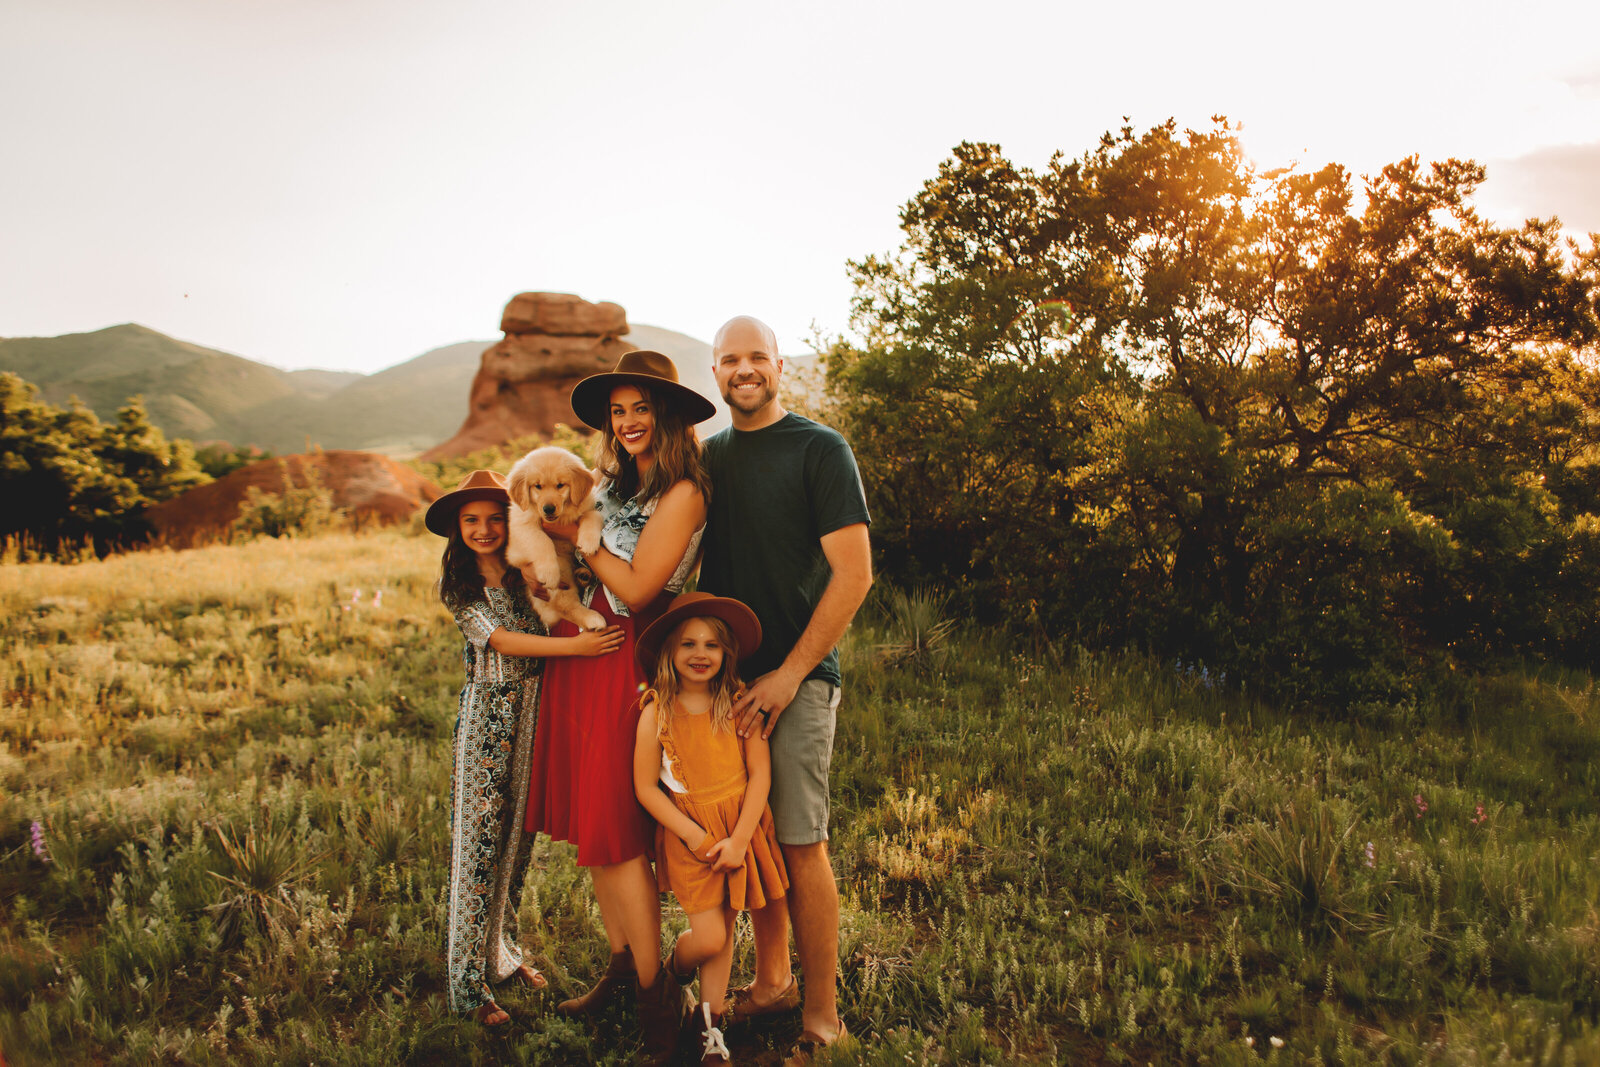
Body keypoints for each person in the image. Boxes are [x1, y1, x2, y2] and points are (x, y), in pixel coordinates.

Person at [524, 350, 716, 1064]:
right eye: (619, 410)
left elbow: (639, 589)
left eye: (642, 408)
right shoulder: (606, 480)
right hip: (583, 647)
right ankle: (619, 960)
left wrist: (583, 542)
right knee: (595, 828)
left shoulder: (684, 491)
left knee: (617, 832)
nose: (629, 421)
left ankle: (656, 999)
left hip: (628, 649)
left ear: (667, 414)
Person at [697, 316, 873, 1062]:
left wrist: (790, 673)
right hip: (722, 685)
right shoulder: (708, 458)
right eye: (730, 359)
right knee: (754, 840)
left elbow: (855, 573)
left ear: (779, 366)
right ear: (715, 370)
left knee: (801, 842)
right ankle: (769, 982)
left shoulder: (819, 449)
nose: (745, 369)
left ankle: (822, 1017)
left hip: (797, 680)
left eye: (757, 357)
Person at [426, 469, 625, 1027]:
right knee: (478, 850)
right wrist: (578, 651)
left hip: (536, 722)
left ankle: (502, 956)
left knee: (515, 848)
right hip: (489, 724)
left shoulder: (524, 571)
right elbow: (504, 641)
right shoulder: (463, 588)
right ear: (457, 530)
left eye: (493, 518)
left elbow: (563, 592)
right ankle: (468, 985)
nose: (485, 529)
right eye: (471, 521)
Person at [632, 593, 789, 1066]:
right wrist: (694, 835)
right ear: (669, 653)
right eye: (688, 644)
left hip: (740, 833)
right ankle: (673, 972)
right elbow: (645, 788)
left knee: (726, 925)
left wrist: (740, 839)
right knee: (710, 938)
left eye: (712, 645)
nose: (700, 654)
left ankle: (708, 1028)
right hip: (692, 839)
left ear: (727, 654)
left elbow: (760, 775)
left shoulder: (739, 705)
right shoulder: (656, 711)